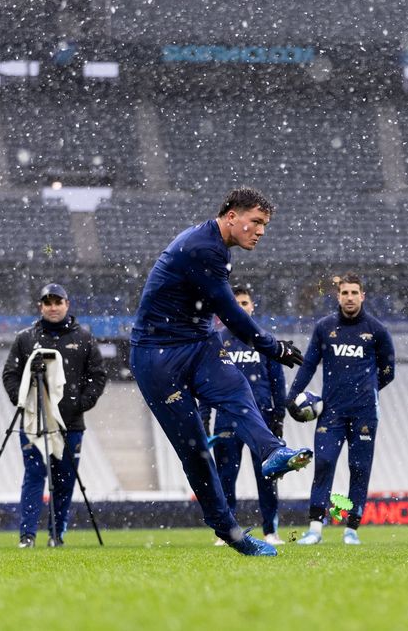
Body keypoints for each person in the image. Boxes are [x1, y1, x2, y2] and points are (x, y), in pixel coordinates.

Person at [129, 187, 311, 557]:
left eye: (265, 225)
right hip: (157, 357)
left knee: (236, 388)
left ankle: (272, 451)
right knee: (195, 449)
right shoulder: (203, 248)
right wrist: (272, 346)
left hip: (198, 343)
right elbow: (230, 312)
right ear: (232, 216)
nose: (260, 231)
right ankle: (230, 532)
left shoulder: (216, 247)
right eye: (256, 222)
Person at [289, 273, 396, 546]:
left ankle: (352, 528)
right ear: (338, 296)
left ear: (363, 296)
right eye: (344, 293)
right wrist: (292, 396)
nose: (349, 298)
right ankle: (315, 528)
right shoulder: (324, 328)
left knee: (359, 467)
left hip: (364, 413)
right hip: (331, 411)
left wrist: (366, 391)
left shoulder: (377, 330)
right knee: (324, 462)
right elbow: (309, 364)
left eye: (354, 293)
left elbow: (388, 371)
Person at [1, 283, 107, 548]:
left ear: (67, 304)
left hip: (71, 423)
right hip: (34, 422)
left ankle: (56, 535)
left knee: (65, 481)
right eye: (48, 303)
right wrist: (24, 401)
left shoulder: (83, 337)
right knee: (34, 476)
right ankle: (27, 536)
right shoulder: (25, 338)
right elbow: (10, 374)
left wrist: (82, 403)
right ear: (41, 306)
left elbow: (98, 375)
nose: (53, 307)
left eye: (58, 302)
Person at [201, 286, 287, 547]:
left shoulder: (263, 339)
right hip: (227, 420)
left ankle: (270, 531)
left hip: (261, 420)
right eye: (235, 302)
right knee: (226, 478)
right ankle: (227, 533)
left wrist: (279, 417)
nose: (241, 306)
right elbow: (206, 382)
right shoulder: (216, 341)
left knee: (267, 477)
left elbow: (277, 382)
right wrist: (205, 420)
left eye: (245, 302)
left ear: (253, 306)